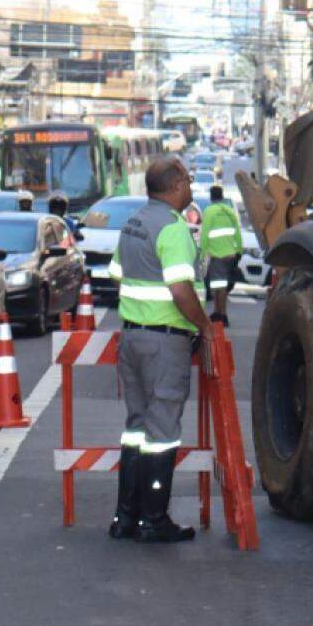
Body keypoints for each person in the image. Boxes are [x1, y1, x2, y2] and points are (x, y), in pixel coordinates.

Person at [107, 157, 214, 544]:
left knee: (137, 427)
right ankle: (153, 521)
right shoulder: (173, 229)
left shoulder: (134, 222)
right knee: (163, 432)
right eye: (186, 179)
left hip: (132, 336)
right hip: (164, 340)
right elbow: (181, 289)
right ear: (173, 187)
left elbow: (117, 274)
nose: (190, 185)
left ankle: (125, 517)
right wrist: (204, 326)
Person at [199, 185, 242, 327]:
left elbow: (205, 234)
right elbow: (237, 233)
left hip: (218, 254)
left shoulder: (210, 211)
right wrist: (239, 252)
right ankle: (218, 312)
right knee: (219, 285)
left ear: (211, 197)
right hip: (230, 254)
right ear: (222, 196)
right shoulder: (230, 212)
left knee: (219, 286)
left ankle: (222, 315)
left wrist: (202, 252)